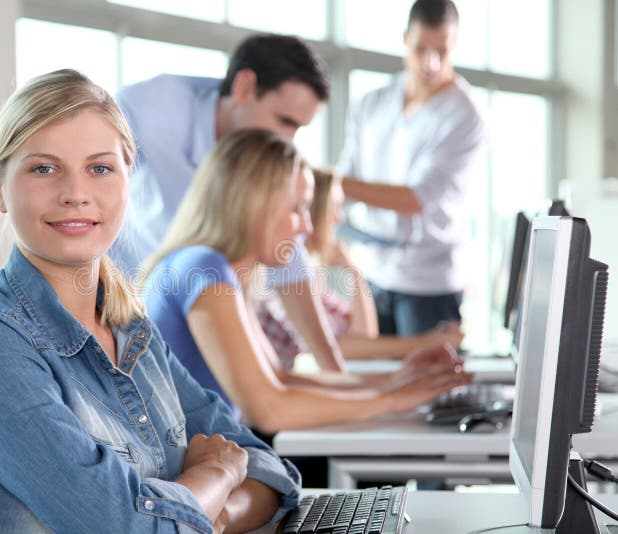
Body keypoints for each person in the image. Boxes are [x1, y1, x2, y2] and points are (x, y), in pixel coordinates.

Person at [0, 69, 301, 534]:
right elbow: (123, 526)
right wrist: (218, 475)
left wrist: (203, 517)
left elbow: (268, 469)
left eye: (100, 168)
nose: (75, 194)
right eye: (44, 168)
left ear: (130, 179)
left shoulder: (132, 330)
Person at [140, 129, 472, 437]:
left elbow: (282, 379)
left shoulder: (217, 270)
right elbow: (269, 410)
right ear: (254, 205)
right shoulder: (204, 269)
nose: (308, 228)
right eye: (298, 209)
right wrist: (393, 400)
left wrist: (396, 382)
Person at [113, 33, 348, 373]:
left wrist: (334, 371)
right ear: (244, 87)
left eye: (299, 128)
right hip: (128, 308)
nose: (287, 141)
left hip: (205, 311)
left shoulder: (258, 163)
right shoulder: (148, 112)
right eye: (284, 121)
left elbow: (289, 257)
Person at [337, 0, 486, 337]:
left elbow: (415, 199)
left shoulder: (465, 114)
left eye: (442, 51)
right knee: (370, 379)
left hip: (429, 285)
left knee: (428, 385)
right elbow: (347, 175)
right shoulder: (372, 103)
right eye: (421, 49)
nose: (430, 63)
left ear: (455, 46)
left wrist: (335, 183)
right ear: (405, 38)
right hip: (372, 273)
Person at [257, 168, 465, 367]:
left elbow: (365, 336)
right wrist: (425, 342)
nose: (340, 218)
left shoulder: (308, 273)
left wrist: (353, 272)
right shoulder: (281, 265)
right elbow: (335, 347)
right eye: (335, 208)